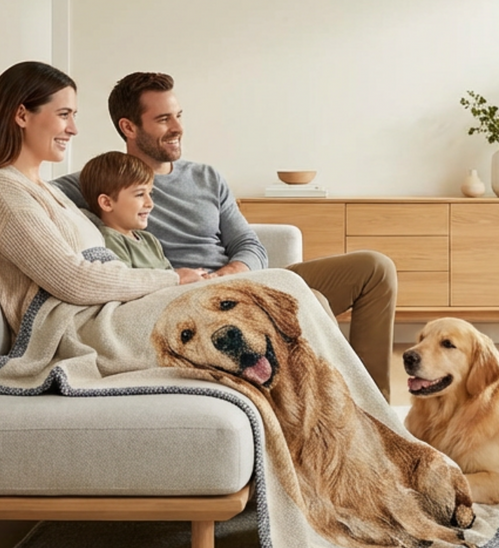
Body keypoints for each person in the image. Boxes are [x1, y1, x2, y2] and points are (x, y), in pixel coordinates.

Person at [52, 72, 397, 400]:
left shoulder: (207, 177)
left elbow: (249, 245)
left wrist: (232, 271)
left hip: (245, 283)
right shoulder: (98, 183)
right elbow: (28, 192)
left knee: (374, 268)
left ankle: (375, 402)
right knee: (314, 304)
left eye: (178, 115)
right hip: (195, 301)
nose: (178, 128)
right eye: (163, 120)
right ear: (128, 127)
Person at [0, 61, 204, 339]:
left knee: (256, 289)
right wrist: (173, 279)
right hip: (85, 330)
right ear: (22, 115)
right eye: (64, 114)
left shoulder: (46, 191)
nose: (73, 129)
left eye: (73, 115)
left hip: (114, 313)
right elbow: (73, 281)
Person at [78, 150, 201, 280]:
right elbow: (125, 283)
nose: (150, 203)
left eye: (150, 194)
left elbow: (170, 277)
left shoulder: (149, 240)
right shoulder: (109, 240)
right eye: (140, 194)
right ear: (107, 203)